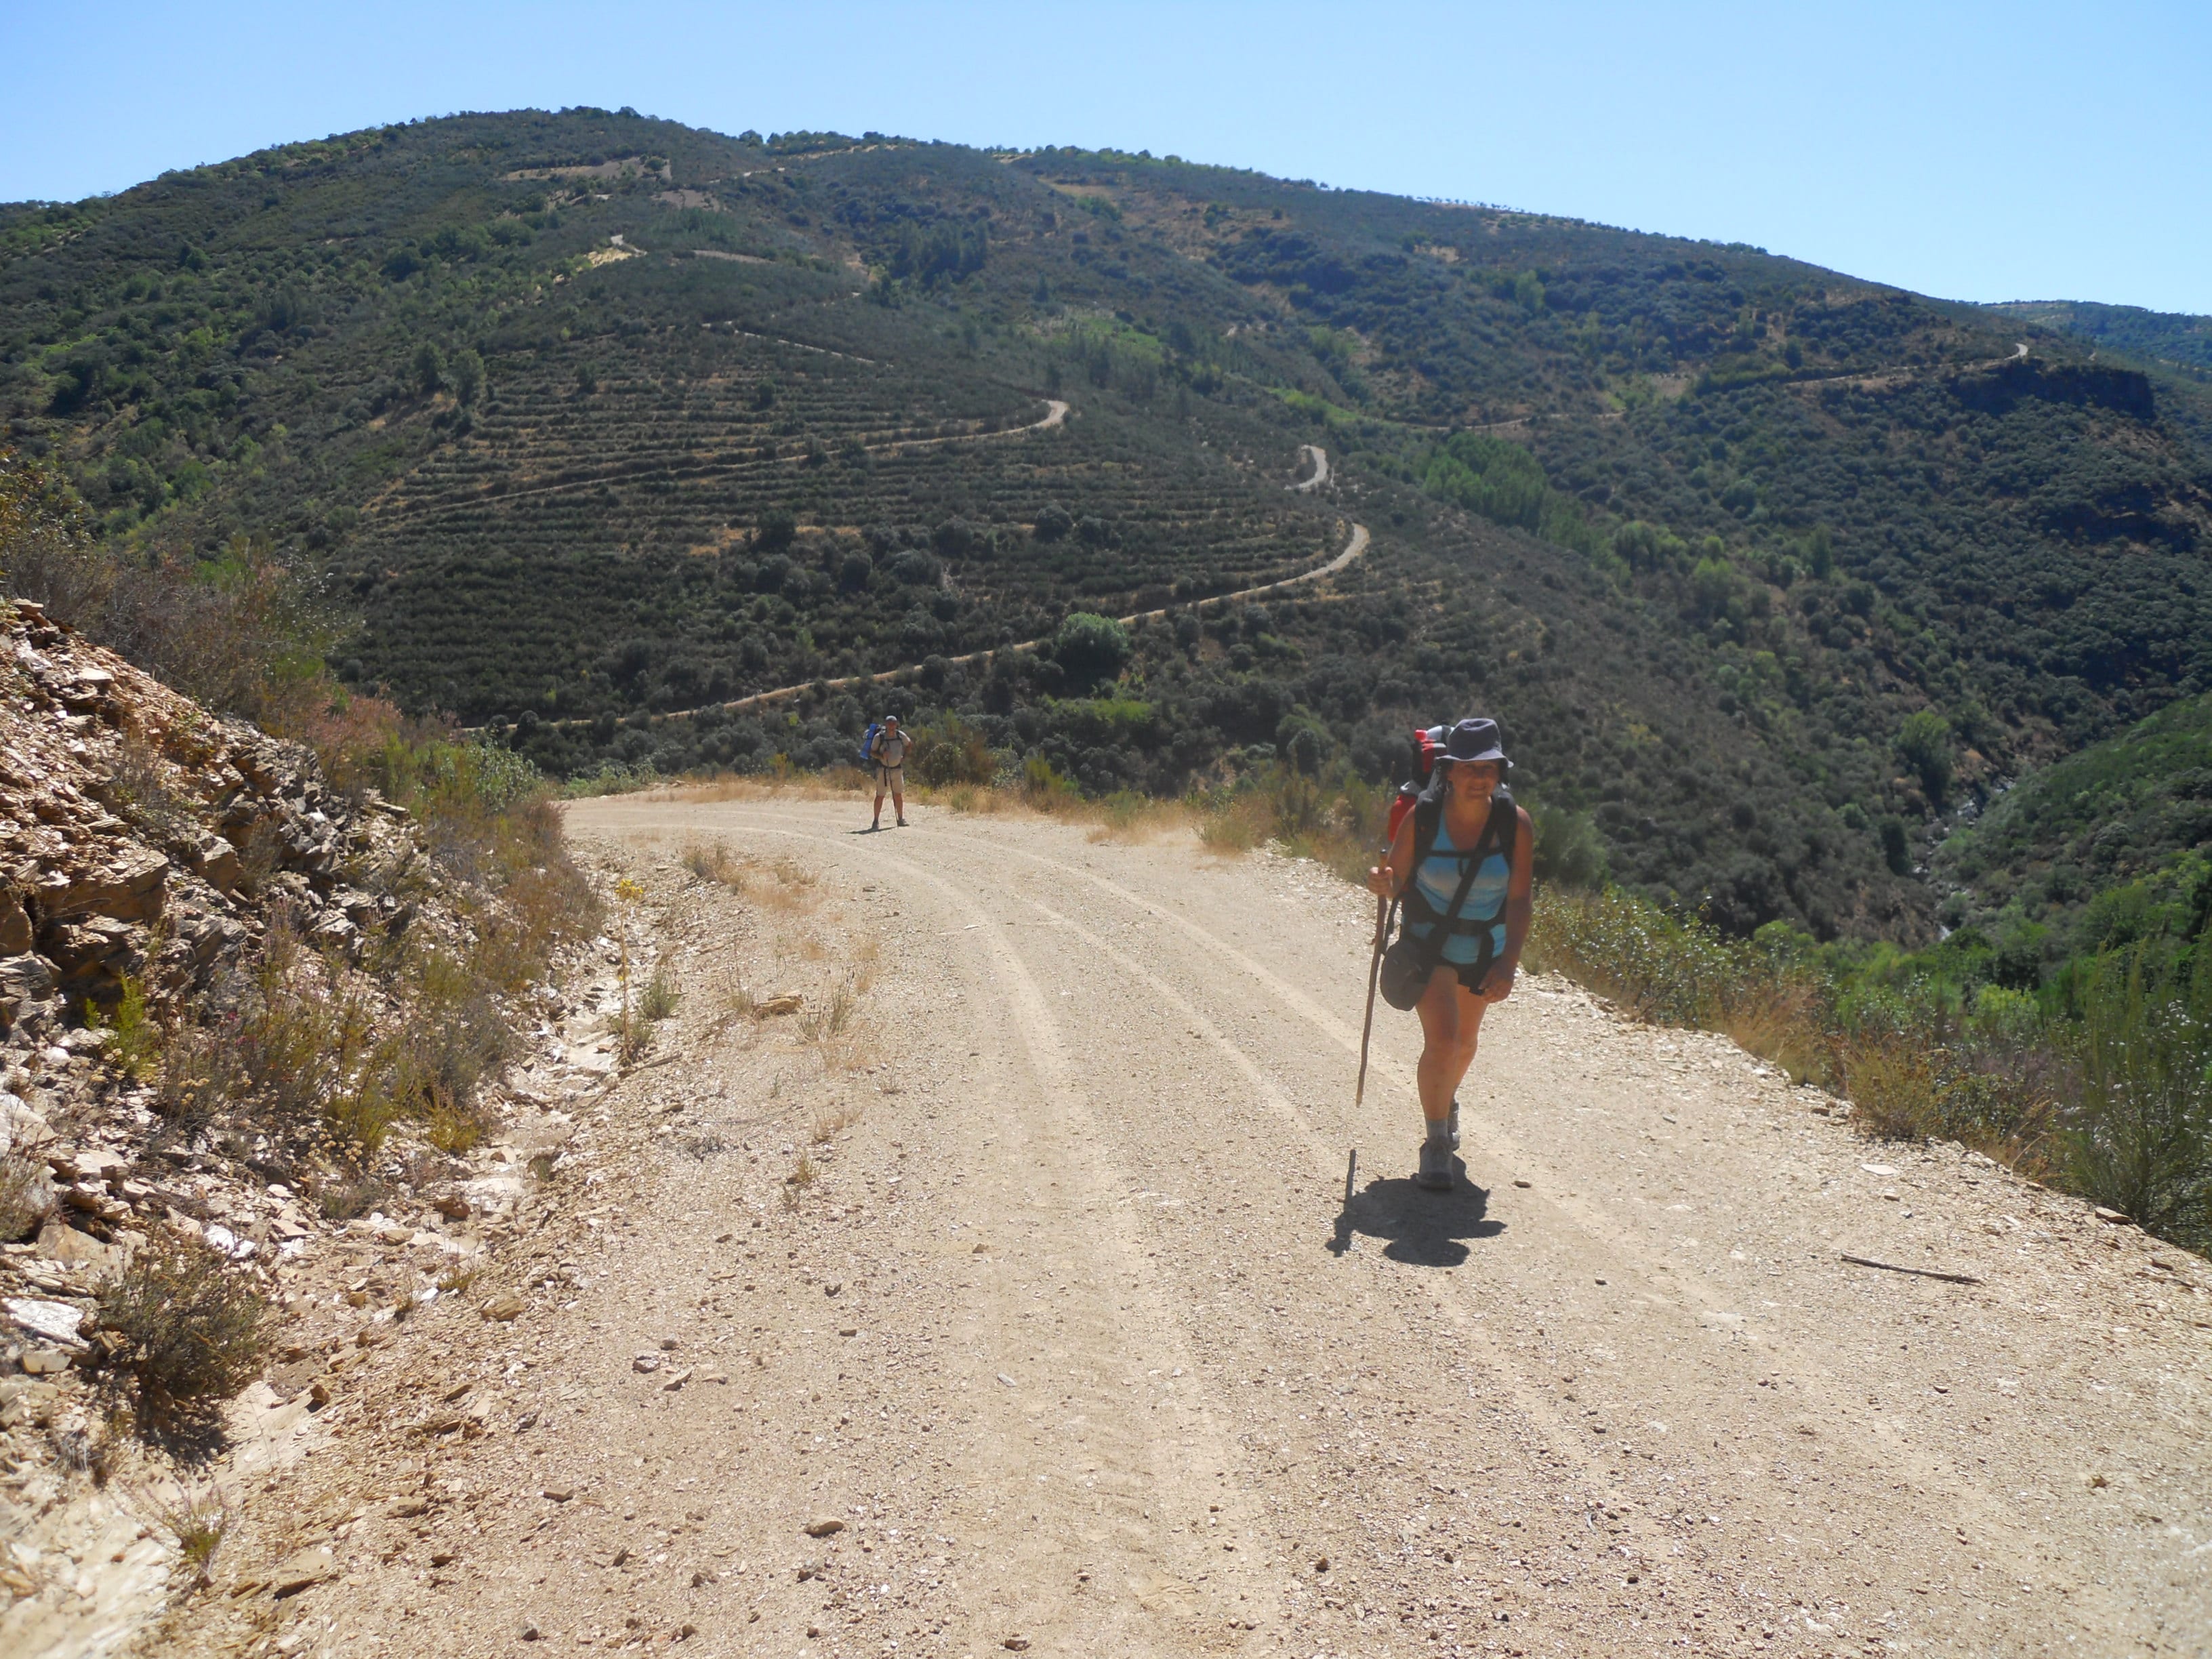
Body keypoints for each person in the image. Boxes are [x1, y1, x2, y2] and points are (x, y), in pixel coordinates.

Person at [1366, 718, 1534, 1191]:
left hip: (1483, 946)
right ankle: (1436, 1143)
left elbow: (1520, 899)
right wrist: (1381, 882)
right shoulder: (1424, 818)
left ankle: (1447, 1098)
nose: (1480, 776)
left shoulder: (1515, 825)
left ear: (1500, 772)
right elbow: (1395, 876)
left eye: (1490, 767)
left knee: (1465, 1045)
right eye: (1470, 767)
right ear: (1450, 772)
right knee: (1444, 1039)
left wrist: (1509, 963)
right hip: (1428, 944)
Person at [867, 714, 910, 830]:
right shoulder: (879, 737)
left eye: (894, 724)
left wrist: (904, 756)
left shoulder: (900, 735)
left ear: (896, 725)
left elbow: (909, 744)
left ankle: (900, 819)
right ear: (886, 725)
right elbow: (872, 752)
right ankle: (875, 821)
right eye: (890, 724)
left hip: (897, 769)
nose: (892, 726)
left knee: (898, 795)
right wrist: (881, 756)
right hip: (883, 770)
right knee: (880, 796)